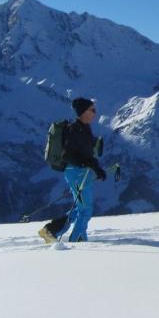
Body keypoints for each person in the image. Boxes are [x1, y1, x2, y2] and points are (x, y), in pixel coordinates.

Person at [39, 97, 107, 243]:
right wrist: (86, 164)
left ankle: (51, 231)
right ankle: (78, 240)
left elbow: (86, 154)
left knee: (79, 207)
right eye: (92, 110)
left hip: (81, 173)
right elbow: (67, 155)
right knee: (86, 208)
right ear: (83, 112)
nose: (95, 113)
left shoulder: (84, 129)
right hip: (76, 173)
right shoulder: (74, 129)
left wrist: (97, 167)